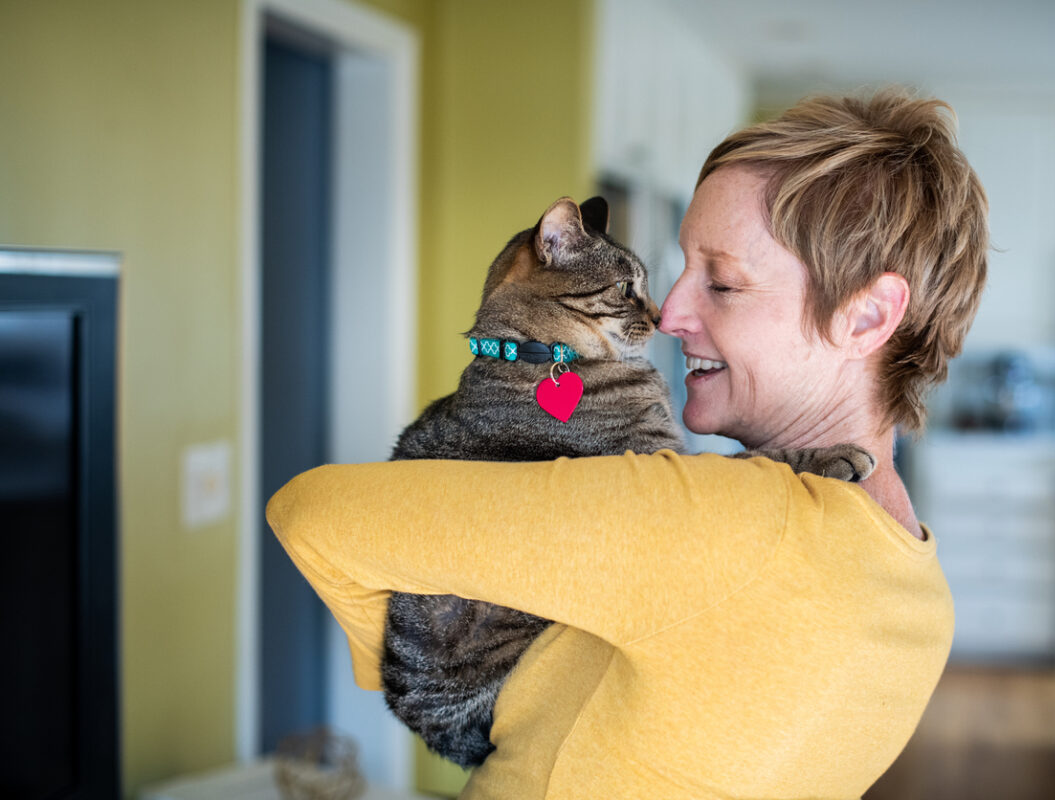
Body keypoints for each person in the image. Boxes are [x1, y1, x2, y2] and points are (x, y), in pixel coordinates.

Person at [267, 88, 989, 799]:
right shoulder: (923, 601)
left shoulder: (703, 521)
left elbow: (312, 514)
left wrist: (412, 666)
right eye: (681, 268)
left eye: (723, 284)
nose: (670, 313)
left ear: (866, 316)